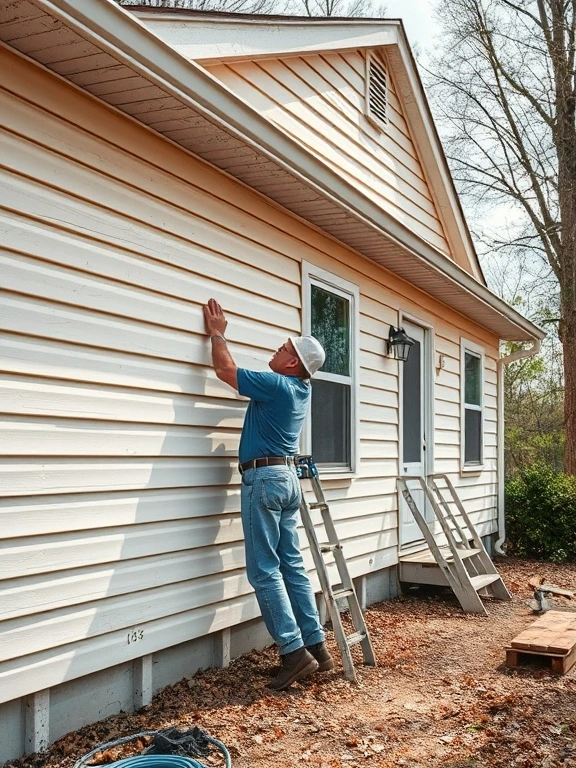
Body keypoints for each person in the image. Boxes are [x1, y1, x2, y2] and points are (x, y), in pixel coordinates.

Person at [203, 298, 334, 690]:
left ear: (293, 363)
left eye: (283, 349)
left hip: (265, 481)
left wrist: (217, 333)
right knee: (291, 565)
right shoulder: (300, 391)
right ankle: (318, 648)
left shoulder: (277, 384)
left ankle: (293, 654)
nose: (276, 351)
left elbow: (226, 370)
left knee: (264, 570)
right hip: (288, 479)